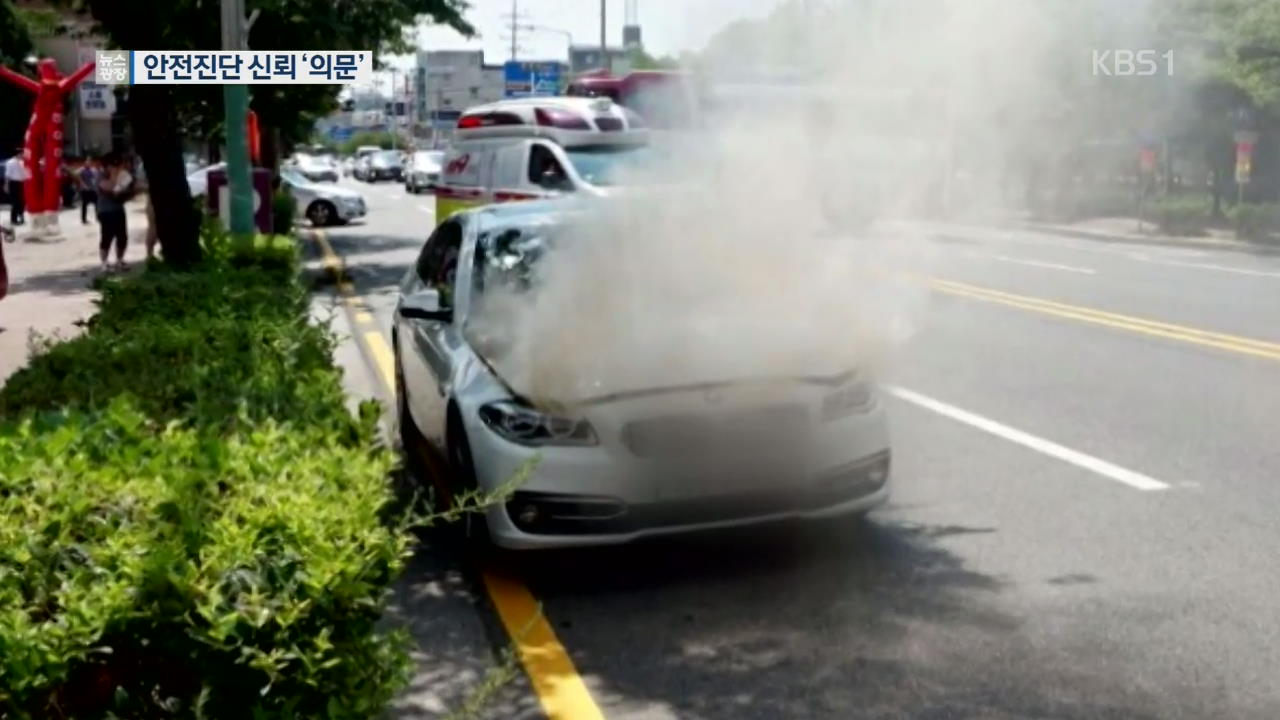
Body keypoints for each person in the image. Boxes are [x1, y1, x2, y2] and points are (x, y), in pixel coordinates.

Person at [95, 153, 132, 272]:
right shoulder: (100, 176)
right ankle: (104, 263)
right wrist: (114, 175)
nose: (119, 168)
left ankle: (119, 260)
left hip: (118, 209)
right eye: (116, 165)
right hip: (105, 211)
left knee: (122, 236)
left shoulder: (123, 176)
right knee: (107, 236)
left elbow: (124, 191)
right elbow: (110, 189)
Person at [4, 150, 29, 225]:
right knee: (15, 202)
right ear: (18, 154)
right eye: (22, 154)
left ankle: (21, 216)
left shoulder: (22, 162)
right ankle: (13, 219)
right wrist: (6, 185)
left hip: (21, 183)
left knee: (21, 202)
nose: (23, 156)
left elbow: (24, 174)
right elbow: (7, 175)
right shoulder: (10, 162)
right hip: (13, 183)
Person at [77, 158, 99, 224]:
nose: (88, 164)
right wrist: (82, 184)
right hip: (84, 190)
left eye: (89, 163)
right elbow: (77, 177)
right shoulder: (81, 170)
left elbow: (96, 178)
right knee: (84, 205)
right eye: (87, 163)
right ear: (85, 163)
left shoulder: (93, 170)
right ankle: (84, 219)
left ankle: (98, 217)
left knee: (97, 204)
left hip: (92, 189)